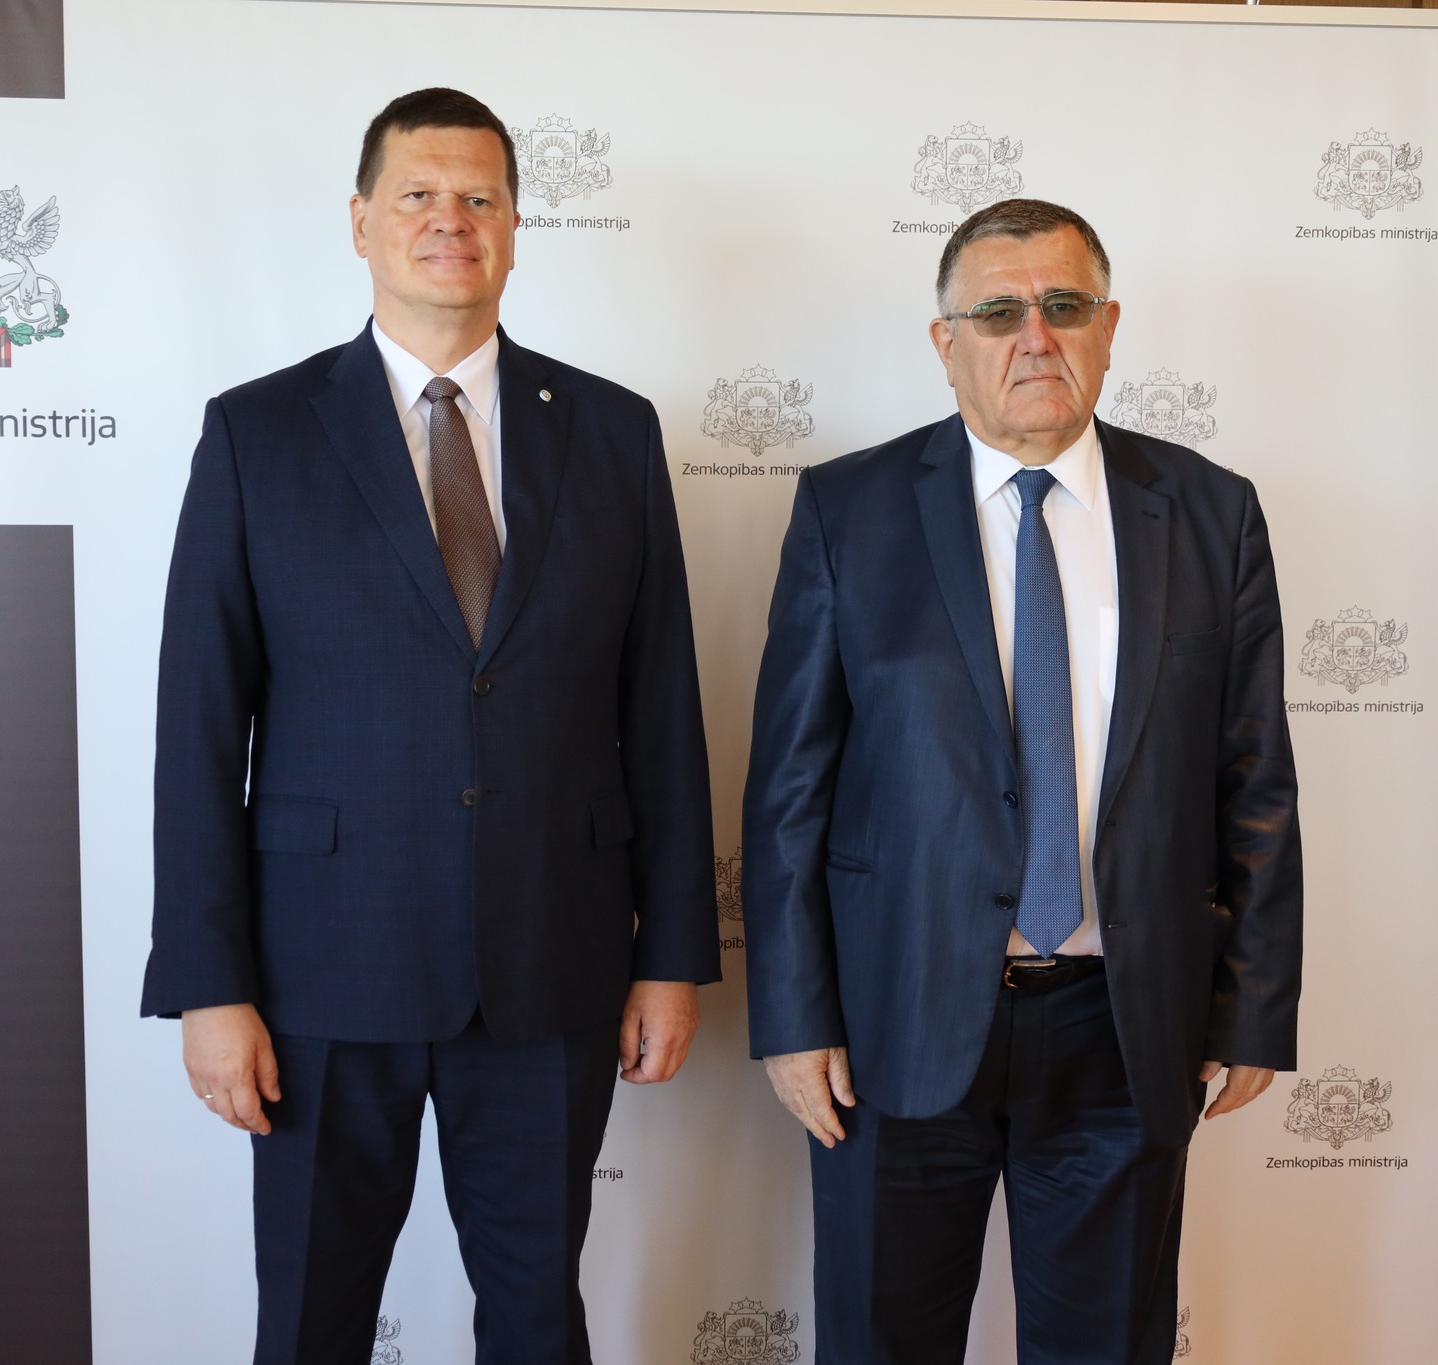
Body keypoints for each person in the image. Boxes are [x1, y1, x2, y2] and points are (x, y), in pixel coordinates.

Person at [140, 87, 719, 1365]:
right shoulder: (255, 433)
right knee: (310, 1316)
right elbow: (199, 728)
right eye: (416, 194)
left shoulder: (612, 431)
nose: (448, 219)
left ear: (514, 227)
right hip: (319, 975)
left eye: (478, 197)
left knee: (536, 1317)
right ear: (360, 221)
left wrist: (671, 954)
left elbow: (660, 713)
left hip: (551, 964)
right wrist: (208, 985)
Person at [741, 198, 1302, 1364]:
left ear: (1107, 327)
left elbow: (1253, 779)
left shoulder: (1209, 513)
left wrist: (1252, 1006)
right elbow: (789, 787)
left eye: (1062, 305)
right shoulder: (847, 510)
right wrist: (792, 1019)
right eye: (997, 312)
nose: (1033, 336)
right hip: (895, 1024)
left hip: (1123, 1028)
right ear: (944, 343)